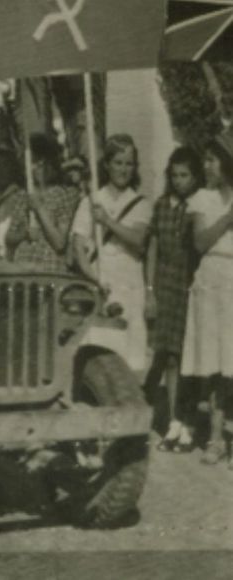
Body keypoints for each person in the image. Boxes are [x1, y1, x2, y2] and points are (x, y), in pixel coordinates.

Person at [72, 134, 153, 374]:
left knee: (132, 359)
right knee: (101, 357)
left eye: (129, 164)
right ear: (107, 164)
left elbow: (138, 241)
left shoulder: (140, 204)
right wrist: (94, 279)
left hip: (130, 286)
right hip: (101, 286)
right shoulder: (92, 201)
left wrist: (107, 221)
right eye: (118, 162)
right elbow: (79, 248)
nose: (123, 169)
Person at [145, 146, 203, 452]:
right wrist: (150, 291)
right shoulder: (161, 206)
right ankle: (172, 422)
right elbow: (153, 248)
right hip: (165, 286)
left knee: (190, 358)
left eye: (186, 175)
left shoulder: (198, 206)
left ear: (195, 178)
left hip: (191, 286)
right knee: (168, 356)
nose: (180, 181)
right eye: (175, 175)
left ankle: (188, 422)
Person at [180, 131, 233, 466]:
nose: (207, 165)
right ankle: (215, 438)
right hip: (212, 280)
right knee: (216, 364)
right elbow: (199, 243)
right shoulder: (201, 199)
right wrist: (228, 218)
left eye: (213, 159)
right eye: (206, 159)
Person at [4, 134, 80, 271]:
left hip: (49, 267)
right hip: (23, 266)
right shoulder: (21, 195)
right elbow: (9, 238)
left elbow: (59, 243)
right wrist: (24, 234)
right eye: (34, 162)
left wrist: (39, 208)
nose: (38, 167)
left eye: (42, 162)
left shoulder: (66, 194)